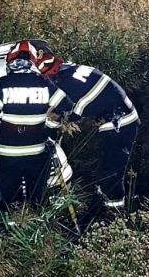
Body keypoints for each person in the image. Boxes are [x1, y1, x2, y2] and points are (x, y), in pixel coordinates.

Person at [33, 45, 139, 211]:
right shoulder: (71, 70)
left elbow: (64, 113)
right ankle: (104, 199)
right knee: (106, 166)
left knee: (111, 171)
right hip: (118, 117)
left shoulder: (64, 84)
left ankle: (114, 211)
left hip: (119, 122)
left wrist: (46, 133)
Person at [0, 41, 71, 205]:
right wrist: (49, 127)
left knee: (10, 200)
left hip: (7, 154)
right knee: (37, 198)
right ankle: (34, 219)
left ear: (10, 61)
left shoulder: (2, 83)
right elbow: (65, 106)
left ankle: (12, 220)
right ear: (33, 62)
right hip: (37, 154)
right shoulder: (43, 83)